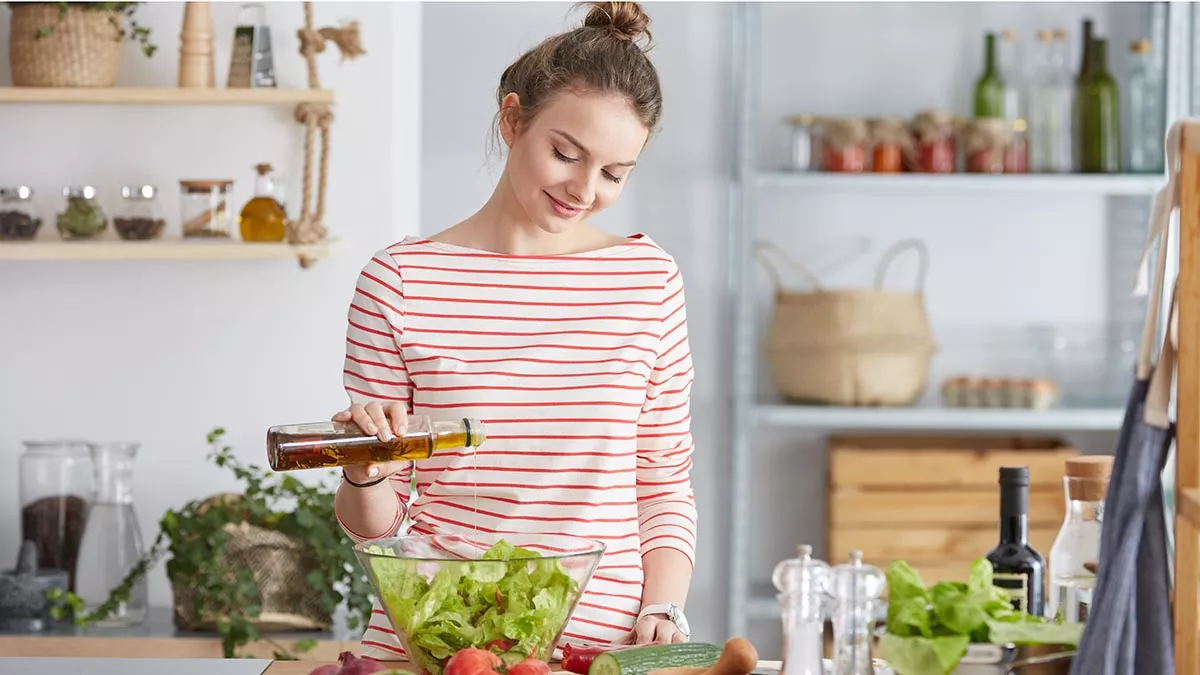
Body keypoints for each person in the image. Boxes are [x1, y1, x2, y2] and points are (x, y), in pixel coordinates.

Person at [332, 1, 697, 661]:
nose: (585, 189)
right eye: (566, 153)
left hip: (598, 651)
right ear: (512, 118)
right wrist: (363, 470)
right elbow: (383, 530)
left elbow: (663, 480)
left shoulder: (648, 279)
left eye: (615, 173)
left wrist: (662, 607)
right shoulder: (401, 282)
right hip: (441, 644)